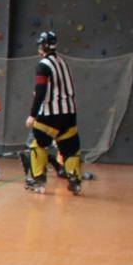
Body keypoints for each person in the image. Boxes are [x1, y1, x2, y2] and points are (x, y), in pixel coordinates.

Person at [24, 30, 84, 194]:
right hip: (69, 113)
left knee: (37, 144)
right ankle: (75, 182)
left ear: (43, 46)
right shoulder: (62, 62)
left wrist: (32, 115)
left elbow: (41, 90)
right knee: (70, 149)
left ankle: (38, 181)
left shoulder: (43, 65)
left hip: (50, 115)